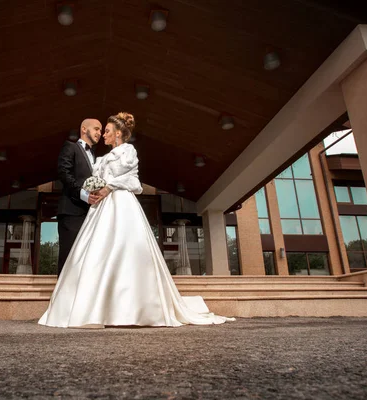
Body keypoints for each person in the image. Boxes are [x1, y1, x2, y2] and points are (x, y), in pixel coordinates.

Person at [39, 112, 234, 328]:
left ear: (119, 133)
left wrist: (109, 187)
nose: (103, 134)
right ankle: (93, 306)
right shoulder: (100, 159)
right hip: (100, 209)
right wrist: (92, 191)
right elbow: (83, 178)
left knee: (126, 250)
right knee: (97, 254)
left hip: (122, 204)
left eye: (107, 131)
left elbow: (134, 181)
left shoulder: (129, 151)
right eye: (101, 130)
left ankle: (134, 307)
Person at [56, 118, 102, 276]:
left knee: (86, 259)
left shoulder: (95, 156)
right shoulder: (70, 147)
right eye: (96, 129)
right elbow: (64, 173)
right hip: (71, 212)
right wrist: (84, 195)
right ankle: (62, 298)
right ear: (84, 129)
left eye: (101, 131)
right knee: (69, 257)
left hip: (89, 215)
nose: (99, 133)